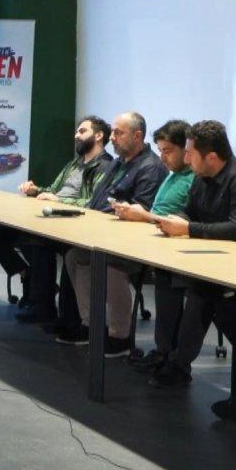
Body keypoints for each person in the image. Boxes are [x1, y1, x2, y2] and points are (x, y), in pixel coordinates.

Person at [149, 121, 236, 425]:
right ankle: (179, 363)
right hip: (225, 269)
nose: (186, 158)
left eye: (190, 153)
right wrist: (176, 220)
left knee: (235, 318)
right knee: (198, 291)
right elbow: (189, 211)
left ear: (211, 157)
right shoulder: (202, 178)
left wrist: (188, 229)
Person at [0, 116, 113, 324]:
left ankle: (42, 306)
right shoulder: (74, 164)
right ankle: (27, 275)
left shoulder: (105, 166)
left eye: (82, 131)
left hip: (75, 224)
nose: (76, 136)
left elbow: (93, 202)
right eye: (76, 132)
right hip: (53, 215)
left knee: (38, 241)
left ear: (99, 136)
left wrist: (59, 200)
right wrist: (35, 190)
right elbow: (53, 190)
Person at [57, 112, 167, 353]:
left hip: (133, 244)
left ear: (137, 136)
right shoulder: (118, 163)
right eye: (113, 132)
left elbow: (142, 211)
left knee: (110, 265)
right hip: (104, 234)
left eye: (119, 133)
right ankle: (91, 324)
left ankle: (120, 336)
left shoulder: (150, 167)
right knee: (74, 256)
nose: (112, 137)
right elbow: (98, 199)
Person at [113, 120, 195, 374]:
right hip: (156, 243)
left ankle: (168, 355)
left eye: (168, 151)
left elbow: (180, 222)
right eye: (160, 151)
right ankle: (163, 351)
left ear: (186, 150)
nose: (163, 157)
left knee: (167, 281)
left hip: (178, 254)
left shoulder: (193, 180)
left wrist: (144, 216)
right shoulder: (173, 177)